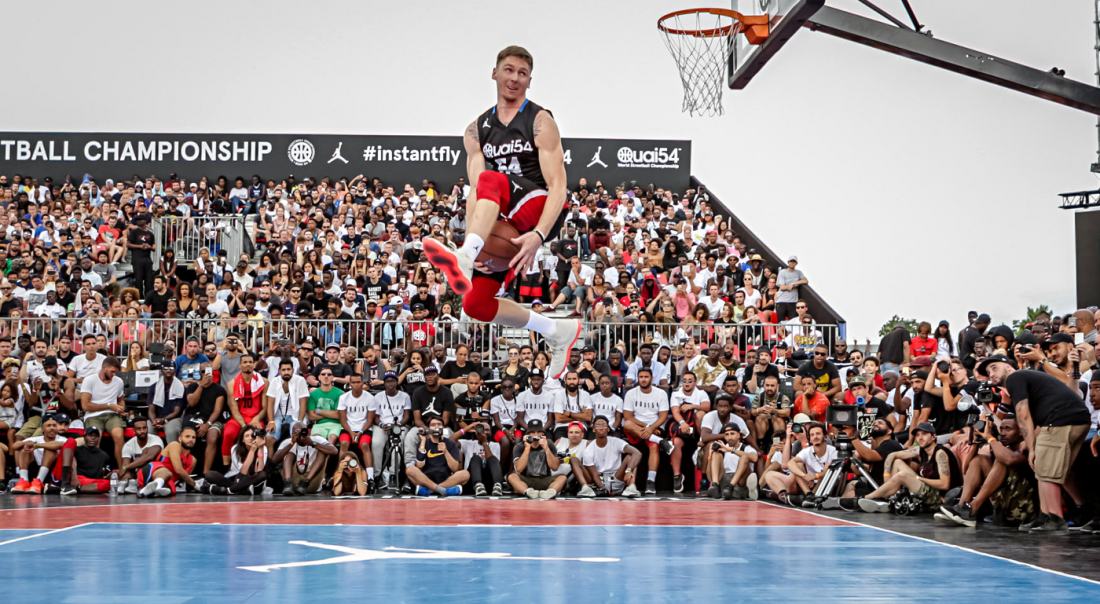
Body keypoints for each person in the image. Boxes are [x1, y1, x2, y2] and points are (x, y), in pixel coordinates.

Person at [422, 45, 581, 381]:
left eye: (522, 74)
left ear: (529, 81)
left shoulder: (540, 121)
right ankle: (556, 330)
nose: (514, 78)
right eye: (509, 70)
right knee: (475, 305)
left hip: (539, 207)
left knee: (491, 178)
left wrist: (539, 236)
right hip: (506, 217)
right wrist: (472, 241)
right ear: (495, 73)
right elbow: (476, 193)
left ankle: (467, 254)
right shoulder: (476, 130)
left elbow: (559, 187)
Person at [981, 354, 1092, 534]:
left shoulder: (1015, 377)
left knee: (1046, 471)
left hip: (1061, 420)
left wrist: (1031, 447)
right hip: (1072, 419)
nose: (990, 373)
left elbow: (1023, 414)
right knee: (1043, 468)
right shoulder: (1025, 381)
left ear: (1008, 366)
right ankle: (1045, 516)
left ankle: (1055, 520)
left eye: (994, 367)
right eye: (987, 372)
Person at [857, 422, 961, 514]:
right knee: (897, 462)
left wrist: (919, 479)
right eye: (917, 435)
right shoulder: (921, 451)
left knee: (903, 475)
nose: (920, 438)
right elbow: (892, 456)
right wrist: (887, 478)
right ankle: (889, 497)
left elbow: (945, 484)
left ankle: (868, 498)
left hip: (939, 497)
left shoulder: (940, 453)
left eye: (924, 434)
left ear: (933, 437)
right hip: (928, 490)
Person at [622, 367, 673, 495]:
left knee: (654, 447)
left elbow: (663, 417)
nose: (643, 380)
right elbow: (628, 417)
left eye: (646, 377)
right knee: (627, 424)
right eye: (641, 377)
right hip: (638, 427)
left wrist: (652, 427)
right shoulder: (631, 393)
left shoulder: (660, 393)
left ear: (652, 378)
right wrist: (647, 427)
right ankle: (660, 441)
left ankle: (650, 482)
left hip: (655, 427)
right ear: (638, 379)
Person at [79, 355, 126, 470]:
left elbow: (121, 400)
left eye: (116, 372)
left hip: (112, 415)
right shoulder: (89, 380)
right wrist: (109, 405)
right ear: (104, 367)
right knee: (95, 439)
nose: (114, 374)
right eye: (112, 371)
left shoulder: (118, 381)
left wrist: (121, 409)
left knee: (119, 436)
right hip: (93, 415)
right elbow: (85, 406)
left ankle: (122, 470)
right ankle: (97, 471)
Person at [578, 415, 642, 498]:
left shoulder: (616, 442)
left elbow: (637, 453)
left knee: (631, 457)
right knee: (575, 460)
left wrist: (628, 471)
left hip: (617, 477)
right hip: (601, 481)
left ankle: (631, 487)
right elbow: (594, 475)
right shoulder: (588, 450)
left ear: (608, 429)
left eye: (604, 425)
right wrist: (604, 489)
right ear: (593, 429)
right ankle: (586, 488)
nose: (601, 428)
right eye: (598, 425)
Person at [11, 414, 75, 494]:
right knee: (24, 449)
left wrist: (37, 445)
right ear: (42, 428)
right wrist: (27, 443)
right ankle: (24, 480)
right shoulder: (36, 438)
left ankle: (39, 481)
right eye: (48, 425)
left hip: (52, 473)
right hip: (35, 471)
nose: (52, 428)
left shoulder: (62, 439)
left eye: (54, 425)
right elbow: (14, 446)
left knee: (50, 449)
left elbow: (59, 445)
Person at [222, 353, 267, 465]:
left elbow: (265, 408)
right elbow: (234, 408)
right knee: (228, 433)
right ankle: (226, 466)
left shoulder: (264, 382)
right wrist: (244, 426)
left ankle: (258, 464)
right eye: (245, 362)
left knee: (260, 436)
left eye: (250, 362)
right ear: (240, 365)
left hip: (256, 418)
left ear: (254, 364)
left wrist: (256, 419)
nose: (248, 364)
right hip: (238, 419)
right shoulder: (231, 384)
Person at [406, 416, 469, 497]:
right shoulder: (424, 443)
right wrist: (423, 441)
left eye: (439, 424)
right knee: (410, 469)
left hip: (446, 479)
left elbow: (455, 468)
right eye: (433, 425)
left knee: (465, 474)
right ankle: (444, 491)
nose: (436, 427)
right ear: (428, 428)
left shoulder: (451, 443)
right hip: (426, 479)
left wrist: (445, 451)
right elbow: (419, 465)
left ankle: (430, 490)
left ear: (443, 427)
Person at [273, 422, 339, 496]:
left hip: (311, 481)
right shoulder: (287, 442)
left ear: (308, 432)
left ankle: (306, 481)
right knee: (289, 454)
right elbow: (274, 460)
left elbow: (334, 451)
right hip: (293, 480)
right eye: (297, 432)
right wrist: (292, 443)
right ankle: (288, 482)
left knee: (323, 452)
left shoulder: (316, 439)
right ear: (292, 433)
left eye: (303, 432)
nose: (301, 435)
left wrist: (312, 443)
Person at [508, 418, 565, 499]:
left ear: (542, 433)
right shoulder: (520, 446)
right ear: (528, 434)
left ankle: (550, 492)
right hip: (527, 479)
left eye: (538, 432)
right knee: (512, 477)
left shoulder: (549, 444)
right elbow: (519, 469)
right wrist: (527, 448)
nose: (536, 435)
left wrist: (546, 449)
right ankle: (528, 492)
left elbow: (555, 467)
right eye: (533, 432)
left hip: (545, 479)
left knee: (562, 478)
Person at [337, 373, 376, 492]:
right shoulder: (344, 397)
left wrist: (359, 432)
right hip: (348, 428)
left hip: (364, 429)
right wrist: (351, 432)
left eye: (358, 382)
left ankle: (370, 478)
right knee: (343, 443)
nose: (356, 385)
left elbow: (370, 420)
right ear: (349, 384)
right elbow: (343, 420)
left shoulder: (369, 398)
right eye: (353, 382)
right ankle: (340, 473)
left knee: (364, 445)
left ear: (363, 383)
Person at [203, 425, 269, 496]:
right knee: (210, 474)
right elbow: (242, 473)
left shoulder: (263, 448)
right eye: (247, 436)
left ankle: (228, 490)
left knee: (262, 474)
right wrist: (252, 451)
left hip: (250, 479)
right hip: (235, 477)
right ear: (243, 439)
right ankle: (241, 490)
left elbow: (259, 470)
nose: (250, 438)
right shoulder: (235, 449)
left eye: (252, 436)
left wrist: (260, 448)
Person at [371, 372, 411, 484]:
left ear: (397, 382)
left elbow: (407, 416)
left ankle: (394, 473)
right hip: (382, 425)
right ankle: (377, 475)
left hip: (399, 425)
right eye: (388, 381)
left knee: (397, 442)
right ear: (384, 383)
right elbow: (376, 417)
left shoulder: (405, 396)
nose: (390, 384)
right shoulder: (378, 396)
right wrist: (381, 425)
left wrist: (398, 425)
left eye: (393, 381)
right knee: (376, 443)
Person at [137, 425, 199, 498]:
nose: (191, 439)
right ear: (180, 438)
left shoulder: (193, 460)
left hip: (169, 480)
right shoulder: (175, 445)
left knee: (169, 488)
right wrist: (197, 486)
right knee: (167, 472)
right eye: (187, 436)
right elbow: (178, 470)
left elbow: (184, 478)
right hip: (152, 471)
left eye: (193, 437)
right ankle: (154, 487)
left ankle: (150, 491)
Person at [706, 422, 759, 500]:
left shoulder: (746, 448)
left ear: (738, 435)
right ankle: (715, 486)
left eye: (732, 434)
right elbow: (709, 476)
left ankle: (732, 487)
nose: (729, 437)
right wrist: (710, 456)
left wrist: (732, 450)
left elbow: (755, 458)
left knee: (744, 457)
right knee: (716, 455)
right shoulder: (721, 449)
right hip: (724, 481)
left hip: (739, 483)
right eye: (727, 434)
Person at [119, 416, 164, 495]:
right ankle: (130, 483)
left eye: (144, 428)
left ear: (147, 428)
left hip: (154, 471)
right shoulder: (128, 445)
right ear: (134, 430)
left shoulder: (156, 439)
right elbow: (125, 465)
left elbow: (150, 456)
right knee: (125, 473)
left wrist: (126, 467)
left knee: (145, 453)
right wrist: (123, 471)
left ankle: (147, 485)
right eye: (139, 429)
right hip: (137, 473)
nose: (142, 431)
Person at [69, 425, 113, 495]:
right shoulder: (77, 450)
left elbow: (107, 471)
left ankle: (77, 489)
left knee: (109, 484)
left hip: (94, 481)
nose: (93, 438)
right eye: (90, 435)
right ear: (85, 437)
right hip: (79, 478)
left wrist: (109, 476)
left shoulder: (104, 455)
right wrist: (74, 478)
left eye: (96, 436)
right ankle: (78, 487)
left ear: (99, 438)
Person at [307, 367, 345, 445]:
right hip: (319, 425)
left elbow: (338, 415)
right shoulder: (313, 394)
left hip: (336, 424)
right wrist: (330, 414)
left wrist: (318, 411)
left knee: (332, 439)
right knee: (317, 440)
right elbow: (311, 417)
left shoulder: (340, 393)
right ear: (319, 377)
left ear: (332, 377)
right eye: (323, 374)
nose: (326, 376)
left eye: (329, 374)